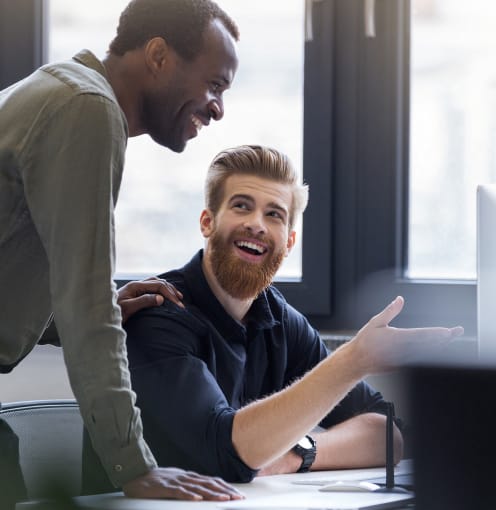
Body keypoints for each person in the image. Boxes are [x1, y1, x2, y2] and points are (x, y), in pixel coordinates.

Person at [0, 0, 243, 501]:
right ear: (158, 55)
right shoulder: (86, 108)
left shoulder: (64, 90)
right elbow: (85, 302)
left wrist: (77, 313)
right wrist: (132, 465)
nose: (218, 107)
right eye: (214, 84)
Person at [123, 144, 464, 483]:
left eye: (274, 214)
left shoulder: (280, 319)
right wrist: (353, 359)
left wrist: (300, 453)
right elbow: (229, 453)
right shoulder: (158, 312)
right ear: (207, 222)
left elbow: (388, 434)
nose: (256, 224)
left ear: (289, 242)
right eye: (242, 206)